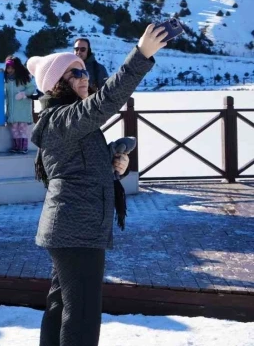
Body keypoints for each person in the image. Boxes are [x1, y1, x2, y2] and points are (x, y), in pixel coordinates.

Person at [28, 25, 168, 346]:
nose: (84, 77)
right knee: (82, 317)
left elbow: (77, 170)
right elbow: (107, 100)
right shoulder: (63, 118)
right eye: (74, 73)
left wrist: (112, 163)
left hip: (72, 228)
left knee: (61, 307)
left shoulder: (64, 121)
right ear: (57, 84)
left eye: (84, 71)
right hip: (76, 230)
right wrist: (141, 54)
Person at [4, 56, 37, 154]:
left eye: (12, 68)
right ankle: (16, 146)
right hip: (12, 110)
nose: (10, 70)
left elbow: (31, 88)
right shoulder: (7, 80)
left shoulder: (23, 79)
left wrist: (23, 94)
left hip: (23, 109)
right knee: (14, 129)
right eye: (8, 68)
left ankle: (23, 147)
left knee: (22, 129)